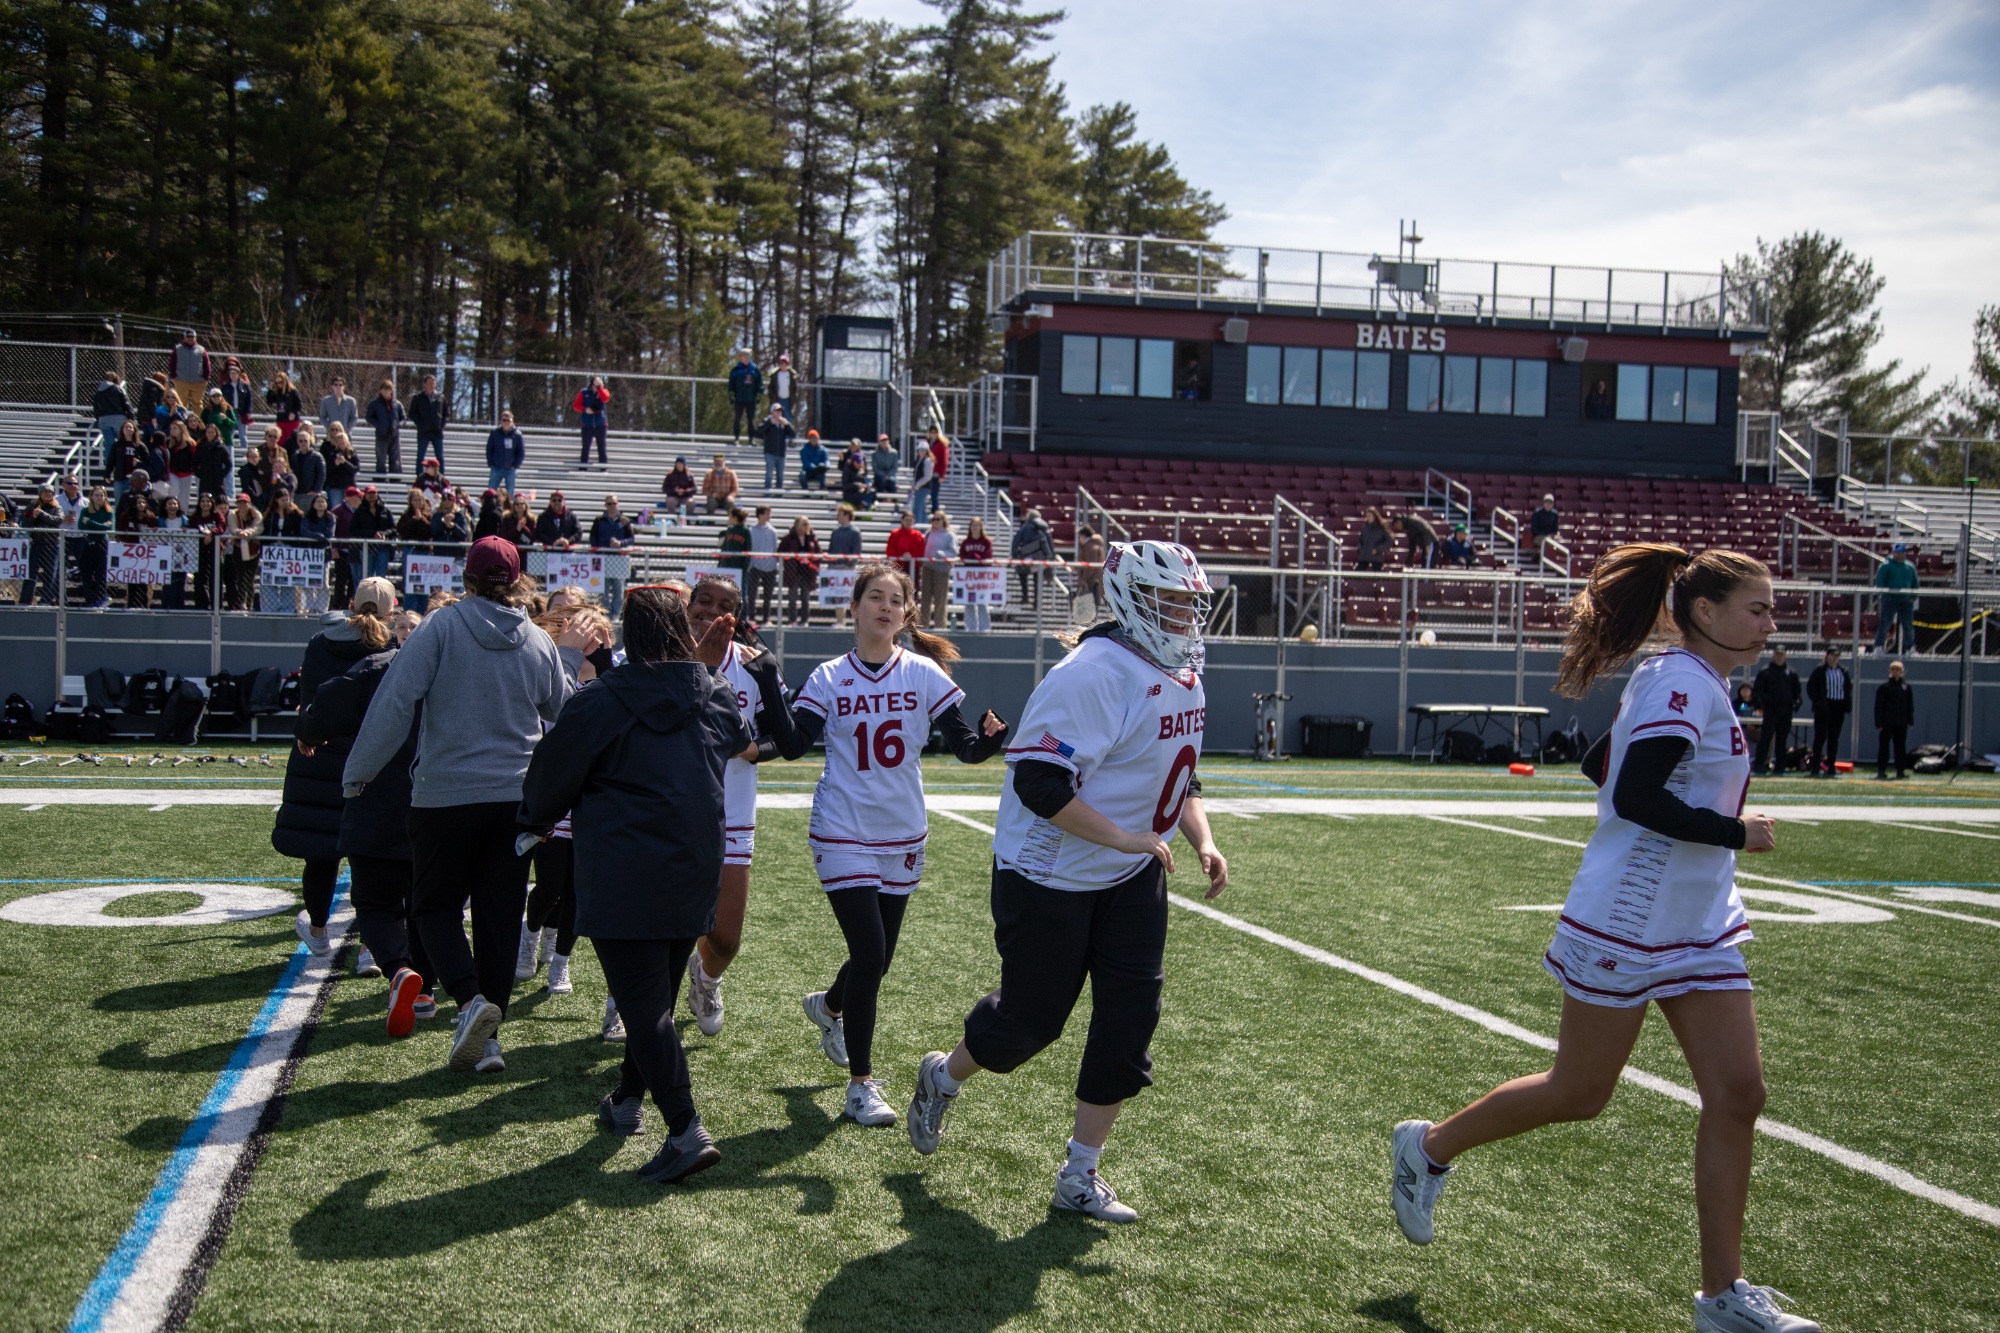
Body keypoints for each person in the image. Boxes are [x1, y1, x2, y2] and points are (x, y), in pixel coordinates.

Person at [1386, 544, 1818, 1333]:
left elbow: (1597, 762)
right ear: (1705, 613)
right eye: (1757, 608)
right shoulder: (1683, 678)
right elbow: (1629, 787)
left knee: (1739, 1093)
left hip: (1698, 921)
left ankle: (1723, 1296)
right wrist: (1733, 829)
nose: (1769, 622)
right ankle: (1429, 1146)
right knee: (1580, 1092)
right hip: (1629, 917)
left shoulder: (1691, 679)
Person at [904, 539, 1223, 1223]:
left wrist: (1201, 837)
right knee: (1029, 1022)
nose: (1184, 616)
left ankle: (1081, 1172)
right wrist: (1129, 835)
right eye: (1171, 601)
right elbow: (1040, 783)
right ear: (1133, 599)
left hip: (1131, 871)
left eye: (1190, 603)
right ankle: (944, 1074)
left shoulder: (1182, 671)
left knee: (1130, 1019)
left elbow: (1178, 770)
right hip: (1049, 872)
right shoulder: (1094, 671)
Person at [519, 585, 747, 1182]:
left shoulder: (601, 699)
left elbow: (552, 776)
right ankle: (626, 1099)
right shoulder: (716, 693)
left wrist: (532, 822)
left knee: (645, 1007)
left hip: (624, 866)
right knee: (656, 1002)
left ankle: (685, 1130)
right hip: (694, 862)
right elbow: (737, 738)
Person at [343, 535, 591, 1075]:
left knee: (433, 906)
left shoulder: (441, 627)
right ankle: (491, 1043)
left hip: (444, 795)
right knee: (500, 918)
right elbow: (566, 713)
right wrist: (570, 658)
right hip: (515, 802)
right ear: (519, 581)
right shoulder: (535, 640)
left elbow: (394, 703)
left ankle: (469, 998)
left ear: (467, 579)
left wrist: (357, 774)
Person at [785, 561, 1007, 1126]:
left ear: (906, 612)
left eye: (895, 599)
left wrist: (989, 741)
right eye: (875, 597)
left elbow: (964, 748)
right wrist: (765, 681)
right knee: (869, 953)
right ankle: (861, 1085)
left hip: (902, 831)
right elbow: (793, 743)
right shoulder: (829, 676)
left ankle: (829, 1006)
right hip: (841, 828)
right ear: (854, 606)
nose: (885, 606)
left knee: (876, 960)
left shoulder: (923, 673)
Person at [295, 578, 439, 1034]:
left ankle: (398, 969)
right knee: (427, 903)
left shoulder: (377, 666)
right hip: (438, 801)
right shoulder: (452, 673)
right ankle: (429, 990)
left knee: (376, 901)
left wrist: (309, 732)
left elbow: (325, 705)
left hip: (377, 797)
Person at [680, 576, 806, 1039]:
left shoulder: (752, 666)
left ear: (739, 616)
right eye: (704, 601)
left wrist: (753, 750)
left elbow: (785, 737)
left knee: (726, 938)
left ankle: (706, 977)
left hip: (731, 809)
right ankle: (623, 1002)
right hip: (665, 808)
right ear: (687, 605)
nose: (711, 611)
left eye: (725, 606)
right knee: (656, 925)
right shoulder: (659, 652)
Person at [274, 577, 401, 960]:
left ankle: (317, 930)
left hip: (321, 753)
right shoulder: (391, 647)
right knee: (371, 856)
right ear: (391, 610)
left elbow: (309, 701)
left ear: (350, 602)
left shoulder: (319, 643)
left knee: (321, 853)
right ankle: (369, 946)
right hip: (369, 757)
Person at [515, 588, 616, 998]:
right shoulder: (549, 665)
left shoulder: (615, 673)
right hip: (557, 796)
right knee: (551, 885)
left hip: (594, 798)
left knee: (578, 891)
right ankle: (532, 932)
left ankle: (561, 961)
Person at [1749, 648, 1799, 775]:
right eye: (1777, 655)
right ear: (1773, 655)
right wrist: (1768, 701)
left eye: (1782, 655)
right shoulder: (1766, 671)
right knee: (1766, 738)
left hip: (1786, 711)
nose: (1779, 657)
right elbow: (1757, 691)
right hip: (1771, 711)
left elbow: (1797, 692)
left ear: (1785, 656)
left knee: (1782, 740)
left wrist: (1797, 702)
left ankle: (1780, 766)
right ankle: (1760, 764)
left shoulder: (1791, 672)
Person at [1805, 646, 1851, 778]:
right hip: (1824, 707)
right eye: (1832, 655)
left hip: (1838, 707)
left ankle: (1831, 766)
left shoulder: (1843, 671)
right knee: (1820, 738)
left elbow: (1847, 689)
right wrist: (1818, 702)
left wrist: (1847, 705)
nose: (1834, 658)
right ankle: (1815, 767)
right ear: (1827, 656)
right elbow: (1811, 687)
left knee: (1834, 738)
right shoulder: (1820, 671)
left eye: (1837, 656)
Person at [19, 485, 63, 605]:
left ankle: (46, 601)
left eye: (50, 492)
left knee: (50, 574)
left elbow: (57, 520)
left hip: (52, 544)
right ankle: (25, 601)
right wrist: (33, 516)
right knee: (31, 573)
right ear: (40, 493)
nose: (48, 493)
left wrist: (41, 514)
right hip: (37, 543)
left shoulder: (57, 507)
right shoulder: (32, 506)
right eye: (45, 491)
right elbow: (25, 523)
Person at [590, 495, 636, 609]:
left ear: (617, 504)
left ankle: (616, 615)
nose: (612, 506)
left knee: (618, 589)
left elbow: (631, 539)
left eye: (614, 503)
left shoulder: (624, 520)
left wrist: (620, 543)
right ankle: (604, 613)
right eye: (609, 503)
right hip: (603, 559)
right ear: (605, 505)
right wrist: (604, 546)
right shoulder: (599, 520)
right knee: (603, 590)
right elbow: (592, 539)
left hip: (619, 559)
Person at [1872, 544, 1919, 655]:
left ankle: (1910, 648)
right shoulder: (1886, 566)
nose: (1900, 554)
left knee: (1908, 625)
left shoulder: (1910, 566)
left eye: (1902, 552)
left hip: (1906, 600)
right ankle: (1879, 646)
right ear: (1893, 552)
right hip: (1890, 600)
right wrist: (1885, 594)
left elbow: (1915, 583)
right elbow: (1880, 581)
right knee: (1885, 624)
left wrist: (1913, 597)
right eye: (1898, 552)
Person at [1010, 506, 1057, 610]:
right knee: (1037, 581)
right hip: (1040, 559)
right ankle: (1036, 603)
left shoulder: (1025, 527)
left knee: (1022, 574)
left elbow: (1016, 541)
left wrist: (1014, 555)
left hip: (1026, 558)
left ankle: (1025, 596)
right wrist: (1051, 559)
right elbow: (1050, 545)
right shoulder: (1045, 528)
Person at [1874, 660, 1913, 780]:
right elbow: (1878, 706)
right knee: (1884, 746)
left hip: (1901, 722)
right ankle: (1881, 770)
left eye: (1898, 669)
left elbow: (1909, 705)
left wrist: (1910, 720)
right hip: (1887, 722)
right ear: (1890, 671)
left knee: (1900, 746)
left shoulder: (1906, 687)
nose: (1895, 672)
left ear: (1902, 672)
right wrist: (1879, 723)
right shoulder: (1884, 687)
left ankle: (1900, 770)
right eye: (1893, 669)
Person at [779, 515, 822, 624]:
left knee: (805, 597)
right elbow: (780, 551)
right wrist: (791, 558)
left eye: (807, 524)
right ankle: (792, 619)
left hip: (807, 572)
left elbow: (818, 553)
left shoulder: (812, 538)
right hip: (794, 571)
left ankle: (804, 620)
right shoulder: (789, 538)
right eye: (804, 524)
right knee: (792, 597)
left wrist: (811, 558)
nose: (806, 526)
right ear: (798, 526)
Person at [222, 492, 261, 610]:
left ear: (249, 503)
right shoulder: (233, 514)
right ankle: (241, 603)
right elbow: (232, 527)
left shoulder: (256, 513)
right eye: (240, 502)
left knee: (250, 578)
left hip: (253, 549)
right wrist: (239, 532)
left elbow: (258, 527)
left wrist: (247, 533)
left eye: (245, 502)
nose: (242, 505)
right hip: (238, 548)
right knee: (240, 576)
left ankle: (250, 603)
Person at [79, 484, 115, 607]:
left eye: (102, 495)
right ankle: (90, 600)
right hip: (88, 542)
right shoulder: (85, 510)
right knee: (86, 573)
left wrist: (90, 522)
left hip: (101, 543)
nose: (99, 497)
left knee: (101, 573)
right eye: (97, 495)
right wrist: (98, 525)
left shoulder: (108, 511)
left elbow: (108, 527)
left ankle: (101, 599)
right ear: (92, 497)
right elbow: (81, 526)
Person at [365, 379, 407, 479]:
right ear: (380, 391)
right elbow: (369, 417)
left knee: (395, 460)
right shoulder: (374, 404)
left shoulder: (397, 404)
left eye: (388, 389)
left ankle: (395, 481)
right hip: (381, 435)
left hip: (394, 435)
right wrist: (378, 425)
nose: (386, 392)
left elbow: (403, 418)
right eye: (384, 389)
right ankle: (380, 481)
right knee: (381, 459)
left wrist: (397, 425)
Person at [921, 510, 956, 629]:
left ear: (943, 521)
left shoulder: (949, 535)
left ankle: (940, 626)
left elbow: (954, 552)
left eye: (938, 519)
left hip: (941, 570)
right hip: (927, 568)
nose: (935, 522)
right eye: (933, 519)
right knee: (925, 598)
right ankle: (923, 625)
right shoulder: (929, 533)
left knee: (940, 600)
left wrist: (942, 554)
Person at [960, 516, 994, 633]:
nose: (975, 528)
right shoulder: (966, 542)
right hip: (969, 576)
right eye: (973, 525)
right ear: (970, 527)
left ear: (981, 527)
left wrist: (974, 557)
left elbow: (988, 556)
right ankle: (971, 627)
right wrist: (973, 557)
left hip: (981, 576)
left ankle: (985, 628)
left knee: (982, 601)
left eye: (977, 525)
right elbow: (962, 556)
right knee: (969, 601)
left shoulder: (986, 541)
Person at [351, 486, 393, 581]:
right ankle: (366, 595)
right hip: (367, 548)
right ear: (365, 495)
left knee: (381, 576)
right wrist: (372, 534)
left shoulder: (385, 511)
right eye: (369, 493)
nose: (372, 496)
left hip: (382, 547)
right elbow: (354, 530)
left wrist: (385, 534)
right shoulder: (359, 512)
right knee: (366, 576)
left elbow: (393, 528)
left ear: (377, 495)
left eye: (374, 493)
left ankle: (380, 595)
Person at [746, 505, 780, 623]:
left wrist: (774, 563)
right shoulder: (751, 530)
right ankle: (751, 617)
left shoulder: (773, 531)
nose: (769, 516)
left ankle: (766, 618)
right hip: (755, 566)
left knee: (768, 595)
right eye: (767, 513)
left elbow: (775, 548)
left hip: (770, 567)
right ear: (760, 514)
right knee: (752, 594)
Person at [94, 372, 135, 466]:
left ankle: (109, 463)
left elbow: (96, 408)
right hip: (118, 418)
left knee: (109, 443)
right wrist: (131, 418)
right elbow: (126, 404)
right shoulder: (118, 389)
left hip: (103, 419)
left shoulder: (98, 391)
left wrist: (98, 419)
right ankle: (123, 460)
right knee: (123, 440)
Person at [167, 328, 212, 410]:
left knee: (198, 404)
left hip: (198, 382)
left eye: (192, 337)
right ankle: (182, 421)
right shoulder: (177, 349)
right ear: (184, 338)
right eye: (188, 337)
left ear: (195, 338)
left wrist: (206, 378)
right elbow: (171, 364)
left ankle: (198, 422)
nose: (190, 339)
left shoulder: (201, 350)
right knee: (181, 402)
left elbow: (207, 365)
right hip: (181, 381)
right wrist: (173, 377)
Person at [410, 373, 447, 469]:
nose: (432, 385)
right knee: (420, 456)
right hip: (423, 432)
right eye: (429, 383)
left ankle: (441, 478)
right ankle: (419, 478)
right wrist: (420, 425)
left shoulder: (440, 397)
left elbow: (446, 413)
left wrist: (441, 426)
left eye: (433, 383)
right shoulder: (418, 398)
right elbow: (412, 414)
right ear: (424, 384)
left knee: (440, 457)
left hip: (437, 432)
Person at [218, 359, 255, 455]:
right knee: (229, 435)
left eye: (235, 373)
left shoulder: (245, 386)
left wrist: (249, 412)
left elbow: (249, 400)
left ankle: (244, 455)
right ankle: (228, 454)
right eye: (231, 373)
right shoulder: (225, 386)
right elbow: (222, 400)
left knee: (243, 436)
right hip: (230, 413)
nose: (233, 375)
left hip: (241, 413)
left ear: (239, 374)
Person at [574, 375, 611, 467]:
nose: (600, 384)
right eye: (597, 382)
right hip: (587, 425)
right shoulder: (584, 393)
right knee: (585, 447)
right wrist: (585, 409)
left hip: (600, 425)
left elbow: (605, 398)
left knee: (602, 447)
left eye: (601, 382)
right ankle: (583, 468)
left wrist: (599, 388)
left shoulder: (603, 392)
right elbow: (576, 405)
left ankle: (603, 468)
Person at [486, 409, 525, 495]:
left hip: (510, 469)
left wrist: (515, 465)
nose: (506, 422)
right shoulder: (495, 433)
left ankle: (509, 508)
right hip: (496, 467)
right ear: (501, 421)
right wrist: (491, 462)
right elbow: (489, 448)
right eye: (504, 420)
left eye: (508, 420)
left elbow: (521, 452)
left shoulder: (517, 435)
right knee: (491, 491)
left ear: (512, 421)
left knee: (510, 492)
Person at [728, 348, 763, 443]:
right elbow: (731, 384)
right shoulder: (736, 370)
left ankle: (752, 439)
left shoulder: (755, 370)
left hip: (751, 399)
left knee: (751, 419)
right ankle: (736, 438)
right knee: (737, 419)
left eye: (746, 356)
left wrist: (758, 396)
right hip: (739, 399)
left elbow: (759, 384)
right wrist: (731, 396)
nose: (745, 359)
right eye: (743, 357)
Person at [757, 405, 794, 493]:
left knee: (780, 476)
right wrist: (770, 423)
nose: (779, 413)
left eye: (780, 411)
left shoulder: (783, 423)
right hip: (770, 453)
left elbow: (793, 434)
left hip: (781, 454)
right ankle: (767, 494)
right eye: (776, 411)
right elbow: (759, 431)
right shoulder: (767, 421)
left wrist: (787, 425)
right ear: (772, 412)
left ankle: (778, 496)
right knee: (769, 475)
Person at [265, 370, 304, 450]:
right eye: (277, 382)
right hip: (281, 419)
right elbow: (270, 401)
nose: (280, 384)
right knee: (281, 441)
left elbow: (299, 404)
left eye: (281, 382)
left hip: (291, 421)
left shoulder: (293, 391)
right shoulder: (277, 392)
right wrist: (270, 390)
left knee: (292, 440)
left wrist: (293, 412)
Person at [195, 422, 234, 501]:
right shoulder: (201, 446)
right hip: (205, 479)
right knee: (205, 499)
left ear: (216, 433)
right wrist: (200, 473)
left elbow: (229, 464)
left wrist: (222, 474)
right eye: (208, 432)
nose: (210, 434)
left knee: (219, 500)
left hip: (218, 480)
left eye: (212, 432)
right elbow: (195, 463)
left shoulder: (221, 447)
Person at [885, 509, 926, 583]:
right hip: (897, 567)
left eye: (910, 520)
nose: (908, 522)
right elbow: (890, 550)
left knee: (913, 590)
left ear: (914, 521)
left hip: (914, 567)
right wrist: (901, 556)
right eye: (906, 520)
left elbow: (921, 551)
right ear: (902, 520)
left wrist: (911, 556)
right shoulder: (895, 534)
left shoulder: (918, 534)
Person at [1075, 526, 1106, 620]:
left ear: (1083, 536)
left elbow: (1090, 566)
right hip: (1095, 581)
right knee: (1092, 609)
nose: (1079, 539)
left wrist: (1083, 579)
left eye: (1079, 537)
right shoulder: (1096, 546)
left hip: (1091, 582)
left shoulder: (1090, 547)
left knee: (1090, 610)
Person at [838, 440, 874, 511]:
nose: (860, 464)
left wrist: (867, 484)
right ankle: (861, 507)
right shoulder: (847, 469)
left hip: (859, 493)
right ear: (853, 462)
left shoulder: (861, 469)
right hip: (850, 494)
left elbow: (865, 478)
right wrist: (858, 485)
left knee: (872, 491)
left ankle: (863, 506)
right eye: (858, 463)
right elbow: (846, 485)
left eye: (861, 463)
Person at [716, 506, 752, 579]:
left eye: (730, 516)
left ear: (735, 517)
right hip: (726, 564)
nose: (729, 518)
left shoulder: (745, 531)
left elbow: (748, 550)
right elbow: (724, 547)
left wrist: (745, 567)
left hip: (739, 566)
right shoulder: (730, 529)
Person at [660, 457, 698, 524]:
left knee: (691, 502)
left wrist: (685, 491)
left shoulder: (689, 475)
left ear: (684, 465)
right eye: (678, 464)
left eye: (681, 464)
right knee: (670, 501)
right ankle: (672, 519)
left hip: (686, 496)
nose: (679, 466)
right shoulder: (670, 475)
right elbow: (665, 488)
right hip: (674, 496)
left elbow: (694, 488)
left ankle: (688, 520)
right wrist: (674, 490)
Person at [909, 441, 937, 525]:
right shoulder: (919, 460)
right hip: (919, 488)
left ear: (927, 450)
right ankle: (923, 528)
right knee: (922, 509)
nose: (921, 451)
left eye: (923, 450)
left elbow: (928, 476)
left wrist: (917, 485)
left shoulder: (928, 460)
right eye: (920, 449)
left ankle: (918, 527)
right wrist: (913, 486)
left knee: (917, 509)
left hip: (923, 488)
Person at [1356, 507, 1391, 572]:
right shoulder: (1365, 527)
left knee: (1377, 575)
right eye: (1367, 516)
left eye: (1369, 516)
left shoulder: (1381, 528)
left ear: (1374, 516)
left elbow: (1389, 541)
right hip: (1364, 555)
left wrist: (1378, 549)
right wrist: (1360, 548)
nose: (1368, 518)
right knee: (1358, 573)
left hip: (1376, 557)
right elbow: (1360, 541)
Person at [768, 352, 796, 420]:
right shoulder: (775, 374)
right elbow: (771, 387)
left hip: (788, 400)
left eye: (784, 363)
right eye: (781, 363)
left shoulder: (792, 375)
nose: (783, 365)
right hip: (778, 399)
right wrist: (772, 397)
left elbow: (794, 388)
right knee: (776, 417)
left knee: (788, 418)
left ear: (787, 364)